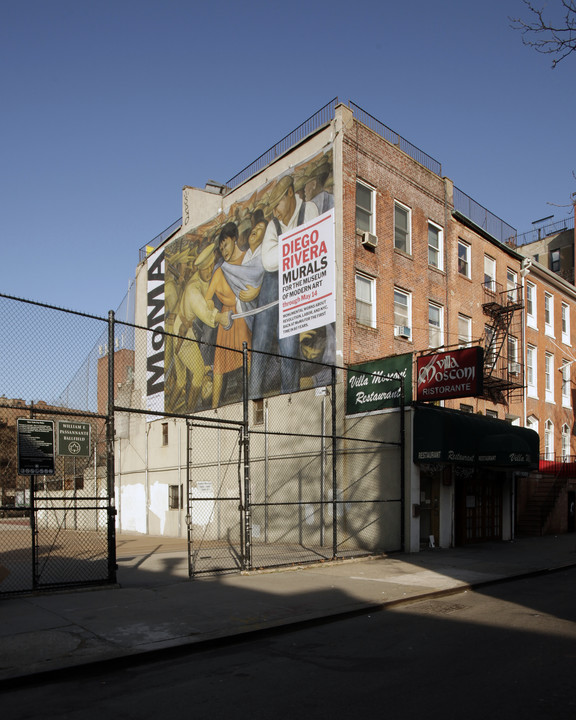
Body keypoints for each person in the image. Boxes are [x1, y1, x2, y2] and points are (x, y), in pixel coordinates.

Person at [249, 175, 319, 398]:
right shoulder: (273, 225)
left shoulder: (309, 209)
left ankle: (289, 400)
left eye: (277, 204)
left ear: (290, 193)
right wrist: (296, 244)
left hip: (296, 288)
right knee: (259, 343)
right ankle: (252, 402)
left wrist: (284, 245)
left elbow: (312, 244)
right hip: (273, 288)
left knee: (289, 348)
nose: (275, 213)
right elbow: (267, 262)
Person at [170, 244, 228, 412]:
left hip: (181, 330)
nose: (209, 271)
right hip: (184, 332)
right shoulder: (193, 287)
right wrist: (218, 317)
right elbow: (201, 308)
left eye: (211, 266)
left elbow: (209, 294)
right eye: (206, 269)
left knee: (181, 381)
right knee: (198, 372)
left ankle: (168, 412)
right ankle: (190, 413)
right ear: (200, 269)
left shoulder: (203, 280)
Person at [204, 222, 252, 408]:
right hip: (226, 320)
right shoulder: (220, 271)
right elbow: (207, 300)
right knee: (219, 364)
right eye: (221, 247)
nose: (224, 250)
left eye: (226, 244)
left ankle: (248, 398)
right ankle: (215, 407)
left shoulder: (247, 260)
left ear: (234, 239)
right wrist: (216, 315)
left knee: (246, 356)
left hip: (242, 316)